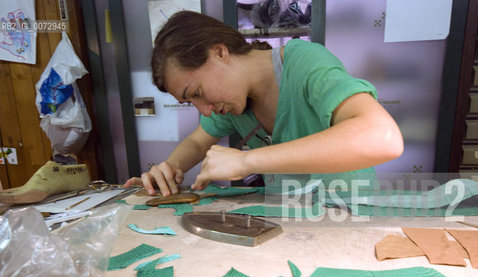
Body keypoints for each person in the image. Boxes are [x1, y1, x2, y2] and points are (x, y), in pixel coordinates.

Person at [124, 10, 403, 196]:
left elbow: (383, 137)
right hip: (291, 223)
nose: (205, 109)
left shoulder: (305, 63)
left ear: (219, 53)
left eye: (196, 92)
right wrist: (168, 169)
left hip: (348, 216)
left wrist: (246, 161)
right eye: (190, 102)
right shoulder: (233, 103)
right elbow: (198, 143)